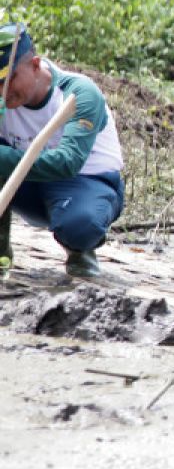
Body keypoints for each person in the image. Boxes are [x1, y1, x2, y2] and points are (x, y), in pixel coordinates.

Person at [0, 22, 124, 278]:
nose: (3, 91)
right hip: (27, 183)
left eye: (10, 79)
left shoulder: (80, 92)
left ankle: (80, 251)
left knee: (79, 226)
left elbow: (67, 162)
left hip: (85, 182)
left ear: (35, 65)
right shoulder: (3, 97)